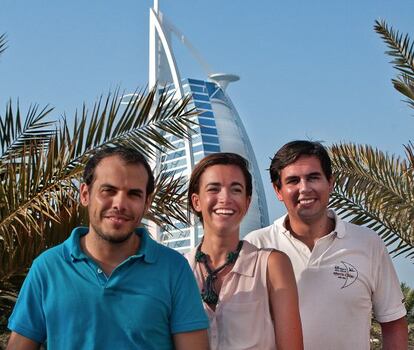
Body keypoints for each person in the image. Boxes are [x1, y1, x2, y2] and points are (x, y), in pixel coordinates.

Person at [7, 146, 210, 350]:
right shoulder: (48, 268)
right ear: (85, 194)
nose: (120, 204)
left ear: (147, 202)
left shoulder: (174, 269)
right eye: (108, 191)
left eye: (133, 194)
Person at [245, 140, 408, 350]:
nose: (304, 188)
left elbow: (393, 323)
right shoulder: (256, 246)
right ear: (278, 190)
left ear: (330, 182)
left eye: (313, 177)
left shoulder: (368, 243)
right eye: (293, 180)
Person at [186, 152, 303, 350]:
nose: (225, 198)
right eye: (214, 189)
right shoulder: (179, 270)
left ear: (247, 203)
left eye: (236, 190)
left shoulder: (271, 265)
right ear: (196, 201)